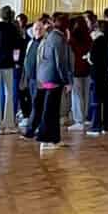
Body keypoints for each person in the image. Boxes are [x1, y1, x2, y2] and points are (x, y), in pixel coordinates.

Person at [35, 12, 73, 153]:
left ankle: (55, 138)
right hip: (53, 78)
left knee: (53, 109)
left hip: (46, 76)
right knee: (50, 109)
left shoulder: (52, 36)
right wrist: (67, 80)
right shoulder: (58, 38)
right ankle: (45, 139)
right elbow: (60, 62)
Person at [0, 5, 23, 135]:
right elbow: (17, 48)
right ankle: (9, 123)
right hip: (9, 63)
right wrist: (15, 61)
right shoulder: (14, 29)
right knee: (9, 93)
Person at [89, 12, 108, 136]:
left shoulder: (98, 41)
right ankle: (107, 126)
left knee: (97, 101)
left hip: (98, 74)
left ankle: (96, 126)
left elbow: (93, 58)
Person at [21, 19, 46, 138]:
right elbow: (27, 59)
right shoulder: (31, 42)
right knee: (33, 103)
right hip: (31, 78)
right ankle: (37, 128)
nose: (38, 31)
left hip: (39, 79)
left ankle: (30, 130)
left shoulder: (45, 43)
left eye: (41, 28)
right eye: (36, 29)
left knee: (37, 104)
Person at [67, 14, 91, 131]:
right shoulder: (88, 37)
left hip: (76, 68)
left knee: (77, 95)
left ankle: (78, 119)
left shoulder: (73, 38)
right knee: (85, 94)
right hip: (87, 68)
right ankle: (84, 117)